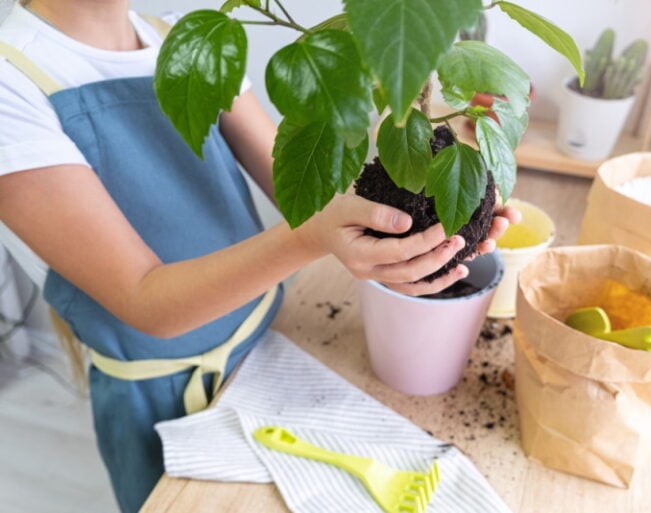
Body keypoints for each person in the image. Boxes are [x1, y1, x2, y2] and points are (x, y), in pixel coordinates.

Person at [0, 1, 517, 512]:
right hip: (163, 396)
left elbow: (297, 190)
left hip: (270, 339)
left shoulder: (184, 37)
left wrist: (427, 191)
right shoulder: (13, 82)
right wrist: (322, 238)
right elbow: (145, 300)